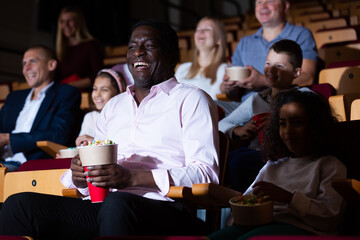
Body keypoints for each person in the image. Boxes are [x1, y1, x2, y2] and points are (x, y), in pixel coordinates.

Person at [0, 19, 219, 239]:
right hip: (106, 207)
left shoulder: (191, 99)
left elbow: (205, 174)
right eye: (132, 47)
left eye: (149, 46)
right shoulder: (114, 106)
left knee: (117, 204)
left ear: (172, 55)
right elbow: (96, 166)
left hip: (167, 207)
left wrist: (133, 178)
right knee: (19, 205)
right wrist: (79, 177)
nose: (138, 53)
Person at [209, 90, 347, 240]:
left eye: (297, 123)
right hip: (256, 225)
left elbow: (330, 217)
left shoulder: (330, 166)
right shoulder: (273, 166)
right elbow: (249, 199)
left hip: (300, 228)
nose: (288, 131)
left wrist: (289, 198)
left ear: (315, 126)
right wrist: (229, 199)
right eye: (283, 124)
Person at [219, 39, 310, 192]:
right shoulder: (257, 99)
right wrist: (237, 130)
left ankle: (243, 207)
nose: (271, 70)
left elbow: (313, 126)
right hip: (256, 150)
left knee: (240, 161)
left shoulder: (304, 97)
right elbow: (222, 124)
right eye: (268, 64)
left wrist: (278, 122)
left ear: (296, 73)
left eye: (279, 66)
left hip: (287, 155)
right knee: (223, 158)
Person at [217, 0, 318, 115]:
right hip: (245, 107)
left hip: (283, 103)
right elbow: (228, 90)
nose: (263, 6)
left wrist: (262, 81)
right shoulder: (245, 42)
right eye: (259, 2)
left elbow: (307, 77)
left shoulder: (301, 34)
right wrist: (227, 86)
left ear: (285, 6)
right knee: (208, 104)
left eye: (270, 1)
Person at [0, 45, 81, 171]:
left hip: (32, 165)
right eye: (24, 63)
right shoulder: (14, 98)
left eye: (32, 61)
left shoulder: (66, 93)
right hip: (3, 161)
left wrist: (8, 139)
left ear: (51, 65)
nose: (26, 68)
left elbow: (58, 135)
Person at [175, 17, 228, 100]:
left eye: (207, 29)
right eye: (198, 29)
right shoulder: (183, 68)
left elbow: (213, 101)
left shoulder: (223, 69)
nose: (200, 32)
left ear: (218, 39)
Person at [56, 6, 104, 91]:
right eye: (62, 21)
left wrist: (68, 86)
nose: (66, 25)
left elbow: (98, 75)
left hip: (85, 93)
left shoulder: (91, 45)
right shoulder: (60, 49)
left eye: (70, 20)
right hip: (64, 93)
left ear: (79, 22)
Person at [75, 68, 126, 146]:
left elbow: (123, 147)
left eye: (104, 90)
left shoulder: (125, 117)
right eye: (95, 89)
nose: (97, 95)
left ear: (119, 93)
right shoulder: (90, 117)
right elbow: (81, 147)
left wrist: (95, 141)